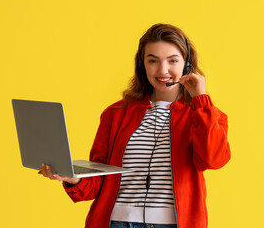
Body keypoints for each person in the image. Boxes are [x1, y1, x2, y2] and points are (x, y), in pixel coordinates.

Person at [39, 23, 231, 228]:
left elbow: (213, 160)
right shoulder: (115, 114)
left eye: (172, 61)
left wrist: (200, 99)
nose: (162, 70)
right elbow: (98, 182)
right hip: (117, 223)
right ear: (143, 64)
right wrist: (73, 178)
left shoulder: (206, 114)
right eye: (153, 61)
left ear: (187, 65)